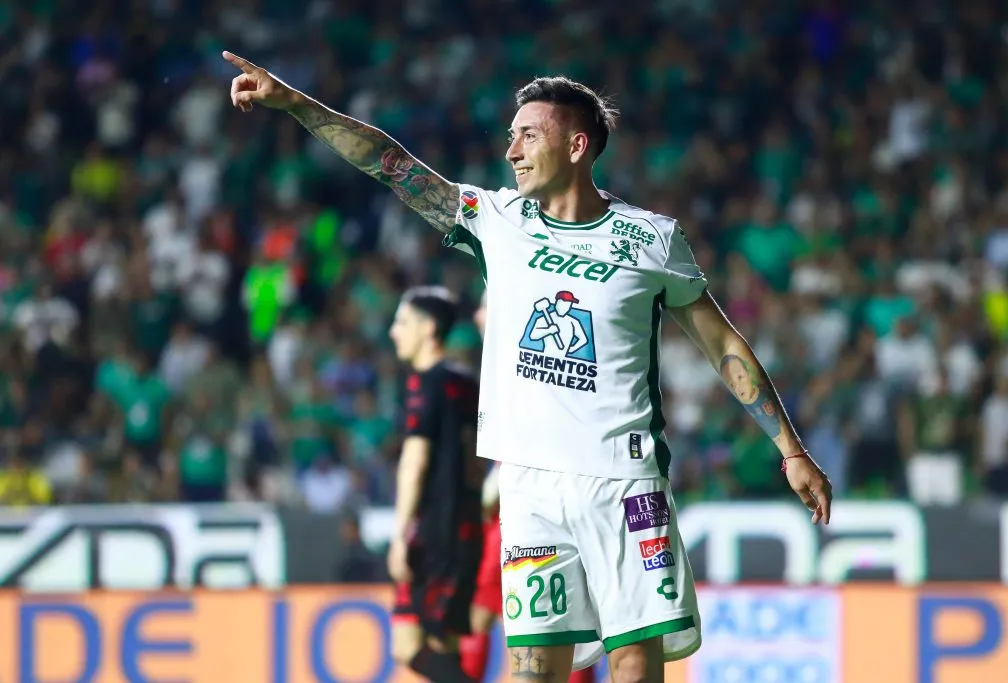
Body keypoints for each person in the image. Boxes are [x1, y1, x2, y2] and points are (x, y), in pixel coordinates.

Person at [225, 52, 833, 683]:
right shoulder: (497, 222)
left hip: (623, 481)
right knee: (531, 664)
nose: (511, 150)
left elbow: (723, 346)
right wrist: (295, 102)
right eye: (509, 136)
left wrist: (789, 450)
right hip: (529, 485)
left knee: (632, 659)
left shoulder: (650, 239)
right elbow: (391, 163)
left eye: (528, 135)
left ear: (576, 145)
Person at [459, 293, 596, 683]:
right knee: (496, 609)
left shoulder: (530, 354)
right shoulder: (501, 357)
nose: (477, 313)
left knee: (556, 613)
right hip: (513, 499)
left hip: (537, 498)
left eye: (485, 304)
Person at [385, 286, 487, 682]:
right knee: (442, 645)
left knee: (407, 645)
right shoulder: (466, 383)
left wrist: (400, 534)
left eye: (402, 322)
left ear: (428, 329)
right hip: (465, 529)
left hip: (433, 533)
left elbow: (415, 460)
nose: (394, 332)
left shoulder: (425, 383)